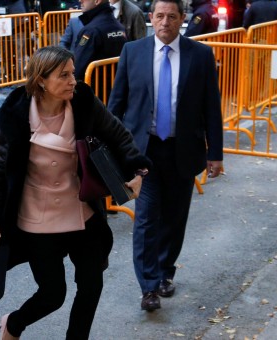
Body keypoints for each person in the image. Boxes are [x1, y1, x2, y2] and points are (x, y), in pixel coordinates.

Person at [0, 46, 151, 340]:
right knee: (52, 294)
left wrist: (138, 169)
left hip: (82, 212)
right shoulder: (14, 115)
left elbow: (117, 134)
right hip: (38, 218)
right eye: (64, 75)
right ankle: (13, 324)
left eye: (73, 72)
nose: (73, 80)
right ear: (41, 80)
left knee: (91, 284)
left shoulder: (83, 101)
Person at [107, 0, 223, 312]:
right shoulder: (133, 52)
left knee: (174, 218)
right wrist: (107, 149)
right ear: (151, 18)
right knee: (145, 219)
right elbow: (116, 105)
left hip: (183, 149)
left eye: (172, 16)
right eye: (159, 16)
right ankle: (148, 287)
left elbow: (211, 107)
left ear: (182, 19)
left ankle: (164, 272)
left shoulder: (200, 55)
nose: (165, 22)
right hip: (143, 152)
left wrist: (216, 154)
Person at [73, 0, 127, 80]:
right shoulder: (119, 27)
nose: (80, 0)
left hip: (94, 89)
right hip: (116, 87)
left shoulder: (91, 31)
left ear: (97, 1)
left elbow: (77, 68)